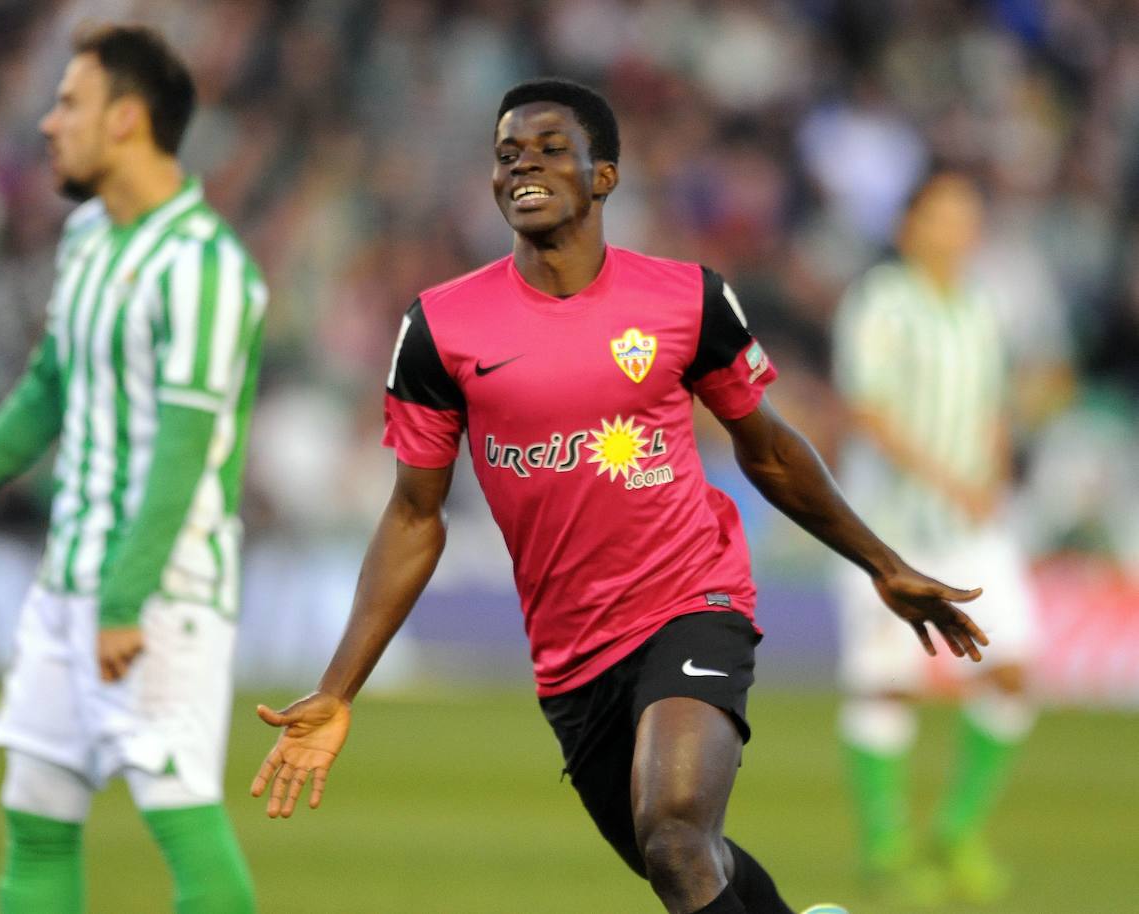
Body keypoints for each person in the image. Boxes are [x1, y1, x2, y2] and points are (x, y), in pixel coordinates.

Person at [249, 78, 987, 914]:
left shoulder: (687, 299)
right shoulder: (440, 328)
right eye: (505, 153)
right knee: (679, 856)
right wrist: (339, 687)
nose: (522, 163)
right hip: (571, 657)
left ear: (604, 176)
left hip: (691, 600)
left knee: (674, 829)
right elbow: (414, 516)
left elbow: (770, 450)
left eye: (550, 147)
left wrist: (882, 565)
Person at [0, 24, 266, 914]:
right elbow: (49, 388)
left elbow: (182, 450)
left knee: (182, 822)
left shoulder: (206, 269)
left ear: (128, 120)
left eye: (69, 103)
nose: (48, 123)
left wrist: (126, 599)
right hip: (68, 580)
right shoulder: (90, 237)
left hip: (162, 590)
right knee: (37, 817)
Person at [830, 170, 1038, 905]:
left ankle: (956, 830)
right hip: (892, 530)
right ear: (908, 224)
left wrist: (996, 468)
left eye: (967, 216)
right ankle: (886, 847)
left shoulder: (981, 306)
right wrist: (950, 479)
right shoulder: (881, 301)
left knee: (1011, 672)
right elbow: (870, 412)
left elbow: (991, 405)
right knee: (890, 684)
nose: (958, 230)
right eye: (943, 215)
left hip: (976, 524)